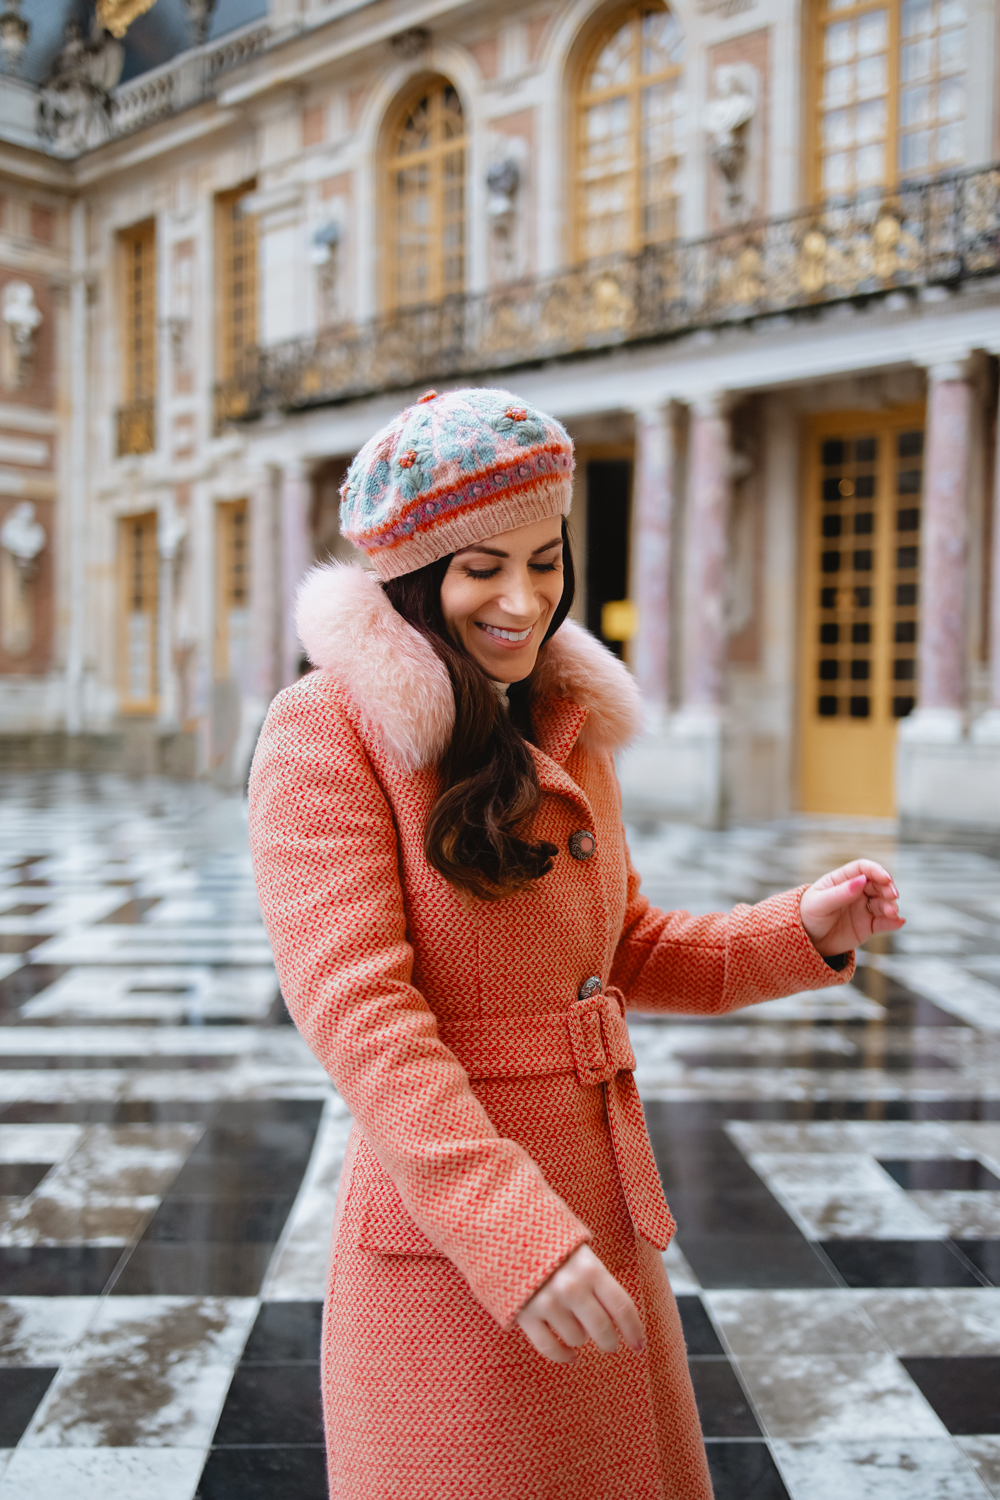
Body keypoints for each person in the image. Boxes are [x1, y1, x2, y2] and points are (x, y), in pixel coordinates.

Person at [248, 387, 903, 1500]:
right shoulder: (327, 733)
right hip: (461, 1248)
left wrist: (794, 931)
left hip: (600, 1222)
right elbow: (361, 1019)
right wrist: (508, 1230)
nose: (522, 598)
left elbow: (625, 948)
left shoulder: (555, 716)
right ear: (412, 578)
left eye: (545, 559)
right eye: (479, 567)